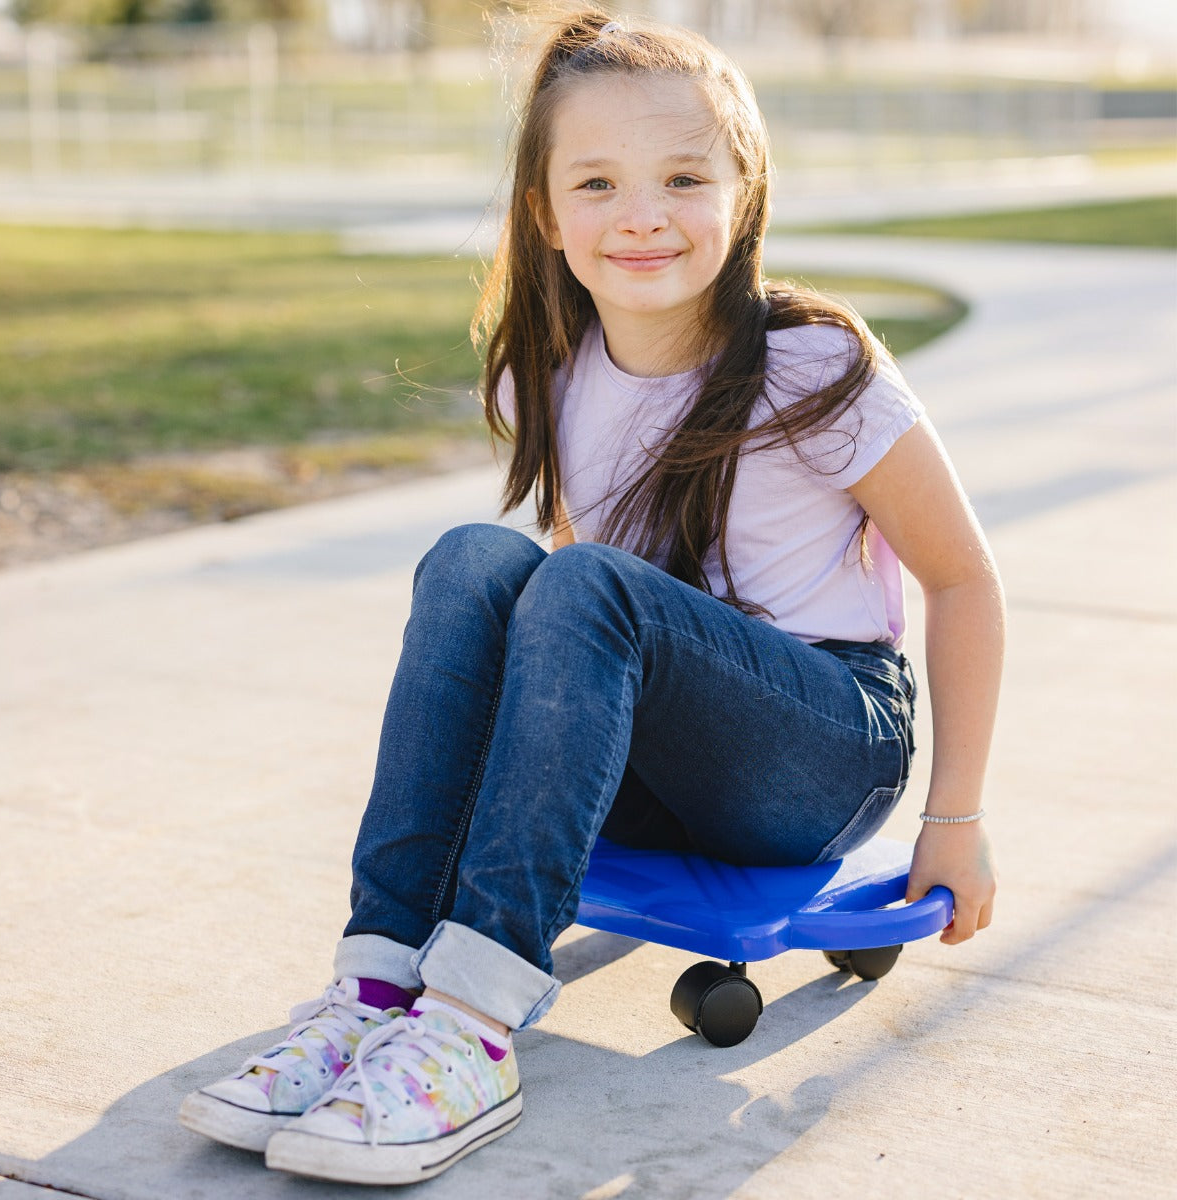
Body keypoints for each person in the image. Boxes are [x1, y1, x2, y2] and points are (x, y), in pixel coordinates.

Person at [179, 8, 1002, 1187]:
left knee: (585, 585)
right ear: (546, 212)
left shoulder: (812, 362)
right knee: (477, 558)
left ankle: (468, 1030)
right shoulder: (554, 376)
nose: (643, 214)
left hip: (817, 751)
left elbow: (965, 578)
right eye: (599, 182)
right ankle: (374, 985)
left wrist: (956, 821)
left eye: (682, 177)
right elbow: (568, 615)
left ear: (744, 187)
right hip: (653, 760)